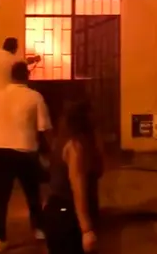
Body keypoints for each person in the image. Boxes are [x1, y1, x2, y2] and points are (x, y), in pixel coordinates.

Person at [0, 61, 52, 252]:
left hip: (0, 151)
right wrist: (51, 151)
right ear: (27, 75)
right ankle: (39, 229)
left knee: (0, 197)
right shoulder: (35, 97)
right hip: (26, 150)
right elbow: (44, 127)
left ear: (10, 76)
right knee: (32, 194)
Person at [42, 100, 102, 254]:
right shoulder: (75, 147)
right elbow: (78, 188)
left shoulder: (60, 142)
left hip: (56, 210)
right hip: (67, 215)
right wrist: (86, 229)